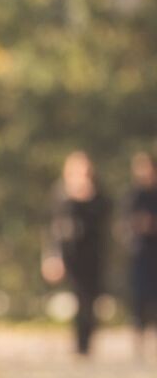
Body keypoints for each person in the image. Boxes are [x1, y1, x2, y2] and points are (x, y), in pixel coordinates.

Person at [46, 151, 111, 356]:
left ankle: (87, 342)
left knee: (90, 298)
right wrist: (52, 256)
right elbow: (53, 226)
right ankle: (79, 343)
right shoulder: (61, 193)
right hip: (70, 253)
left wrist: (87, 196)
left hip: (92, 253)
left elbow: (104, 217)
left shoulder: (97, 193)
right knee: (77, 296)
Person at [125, 152, 157, 357]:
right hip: (139, 253)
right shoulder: (133, 196)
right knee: (139, 299)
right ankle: (139, 341)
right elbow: (125, 224)